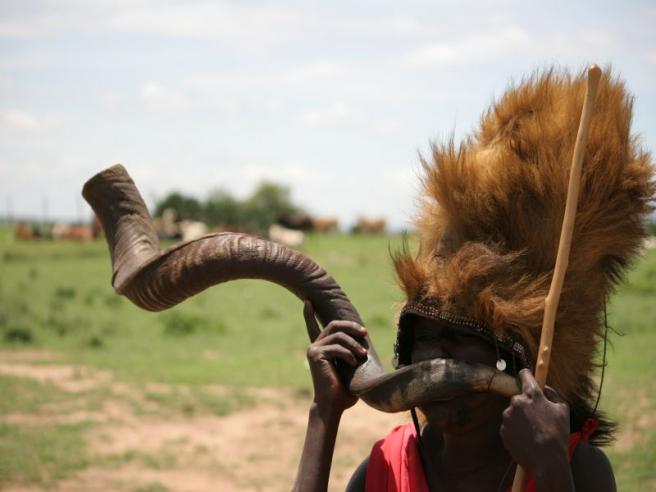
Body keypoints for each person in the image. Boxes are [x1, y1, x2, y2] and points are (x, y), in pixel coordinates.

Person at [293, 68, 653, 491]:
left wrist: (552, 471)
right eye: (423, 335)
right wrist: (324, 415)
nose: (437, 354)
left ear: (518, 358)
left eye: (462, 335)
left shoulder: (575, 467)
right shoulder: (386, 468)